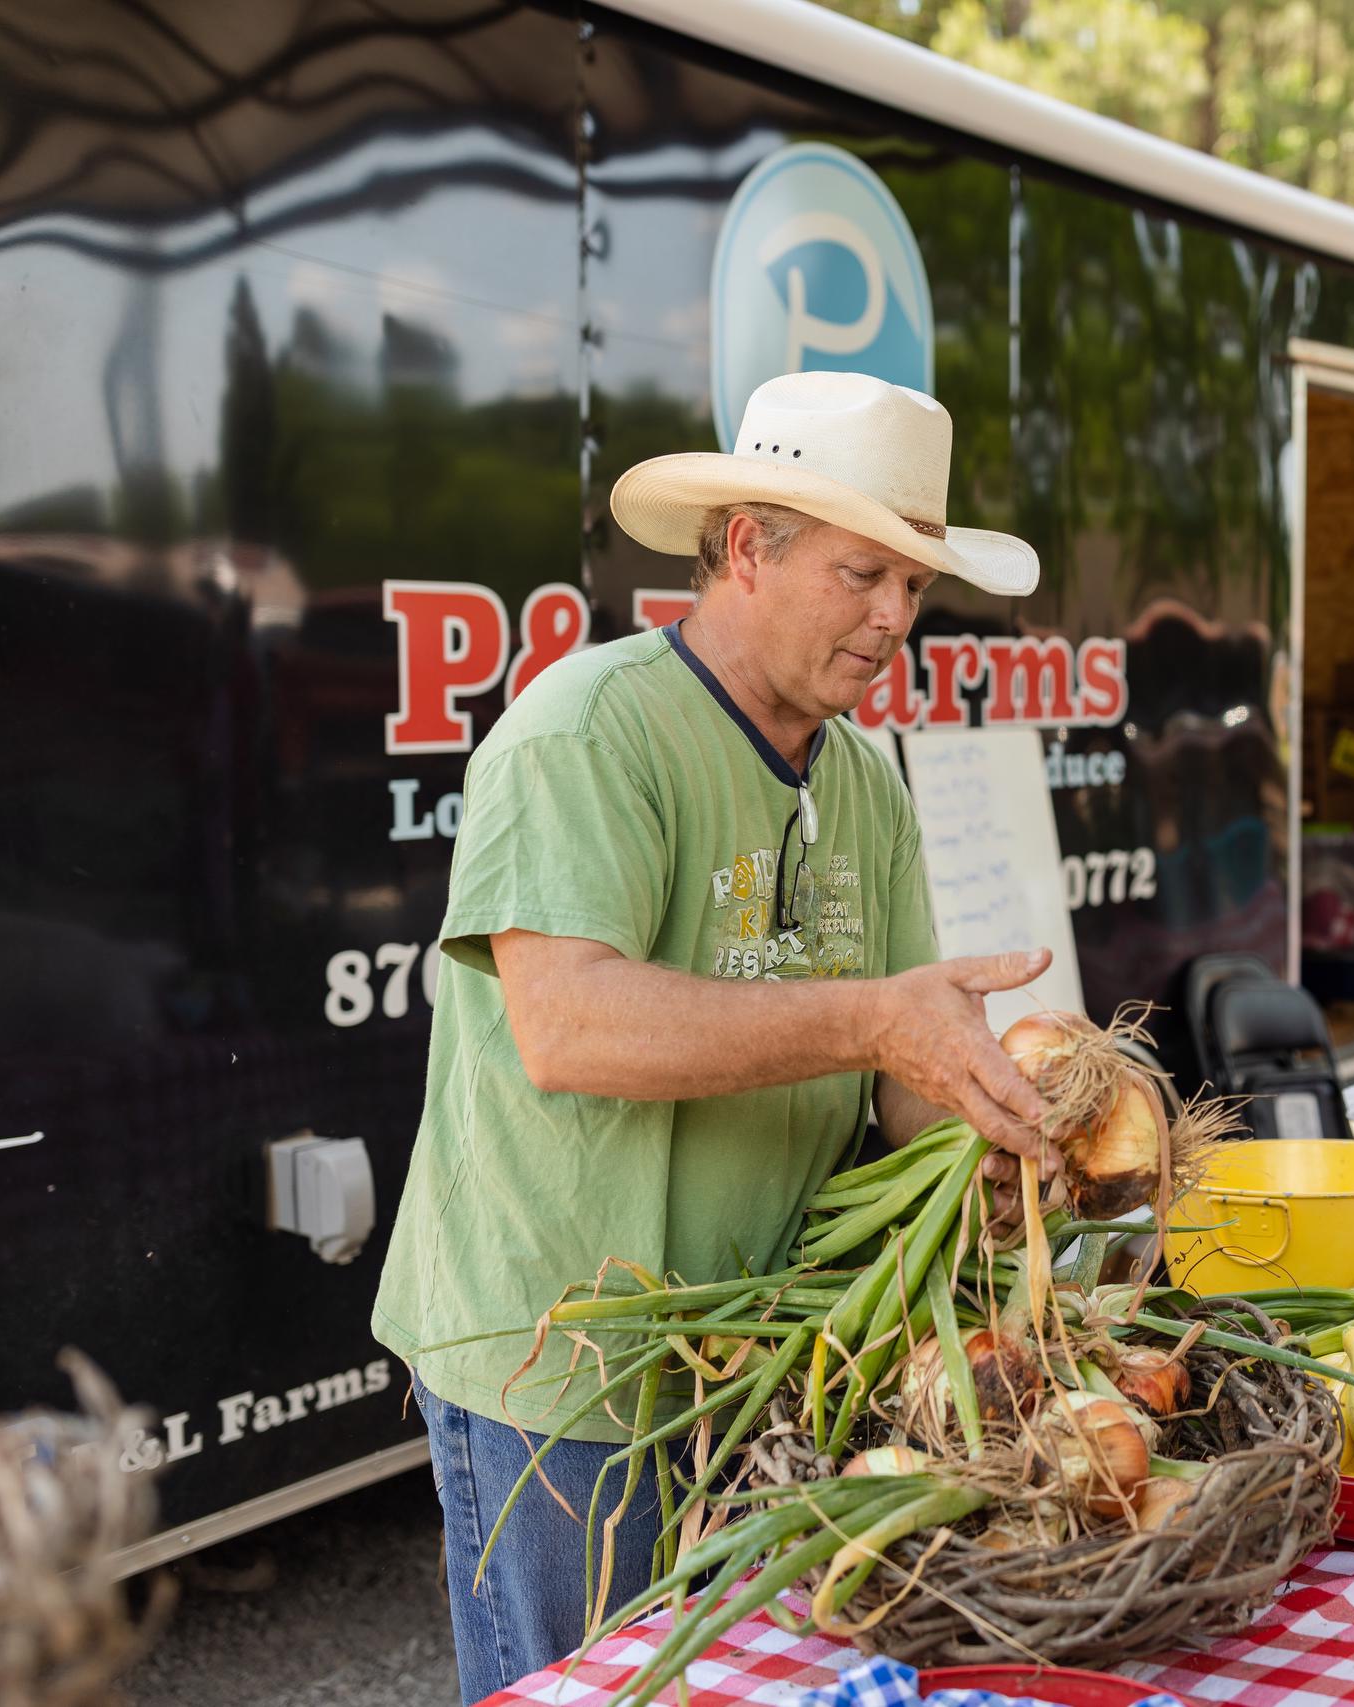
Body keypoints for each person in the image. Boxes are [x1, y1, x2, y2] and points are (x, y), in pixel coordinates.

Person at [370, 371, 1064, 1705]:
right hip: (568, 1369)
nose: (894, 616)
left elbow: (906, 1072)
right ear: (749, 546)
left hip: (764, 1360)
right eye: (866, 573)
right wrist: (874, 1013)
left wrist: (1014, 1108)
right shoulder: (587, 733)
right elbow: (568, 1024)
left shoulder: (864, 777)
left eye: (915, 587)